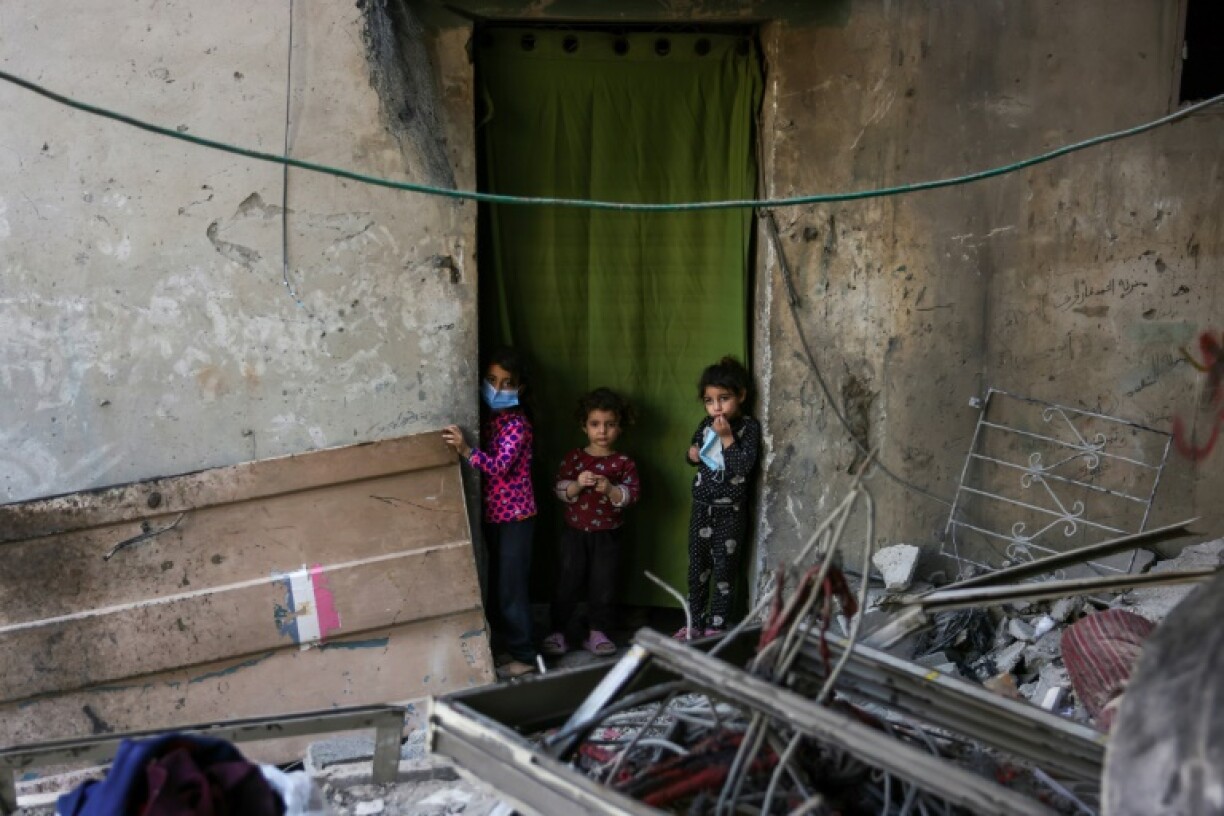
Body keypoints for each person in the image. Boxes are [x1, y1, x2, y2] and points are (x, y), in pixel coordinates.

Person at [441, 347, 538, 679]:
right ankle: (508, 647)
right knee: (499, 587)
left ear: (520, 388)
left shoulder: (518, 425)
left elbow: (499, 466)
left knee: (512, 590)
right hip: (497, 519)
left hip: (516, 520)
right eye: (492, 380)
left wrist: (466, 450)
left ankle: (525, 656)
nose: (497, 389)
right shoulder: (492, 420)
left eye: (507, 383)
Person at [542, 388, 641, 659]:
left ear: (620, 427)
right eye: (595, 424)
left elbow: (632, 495)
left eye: (610, 424)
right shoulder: (575, 458)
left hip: (608, 535)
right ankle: (558, 631)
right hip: (574, 533)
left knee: (604, 584)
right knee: (567, 581)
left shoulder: (623, 462)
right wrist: (577, 484)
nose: (602, 431)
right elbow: (559, 489)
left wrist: (610, 489)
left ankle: (597, 632)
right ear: (584, 426)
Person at [677, 356, 761, 639]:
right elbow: (696, 453)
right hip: (702, 508)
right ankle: (694, 622)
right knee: (697, 568)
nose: (716, 407)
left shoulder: (748, 427)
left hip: (730, 512)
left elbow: (742, 467)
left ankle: (716, 624)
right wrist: (691, 455)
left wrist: (726, 438)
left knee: (724, 570)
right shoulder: (706, 423)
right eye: (709, 400)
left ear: (741, 396)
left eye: (724, 399)